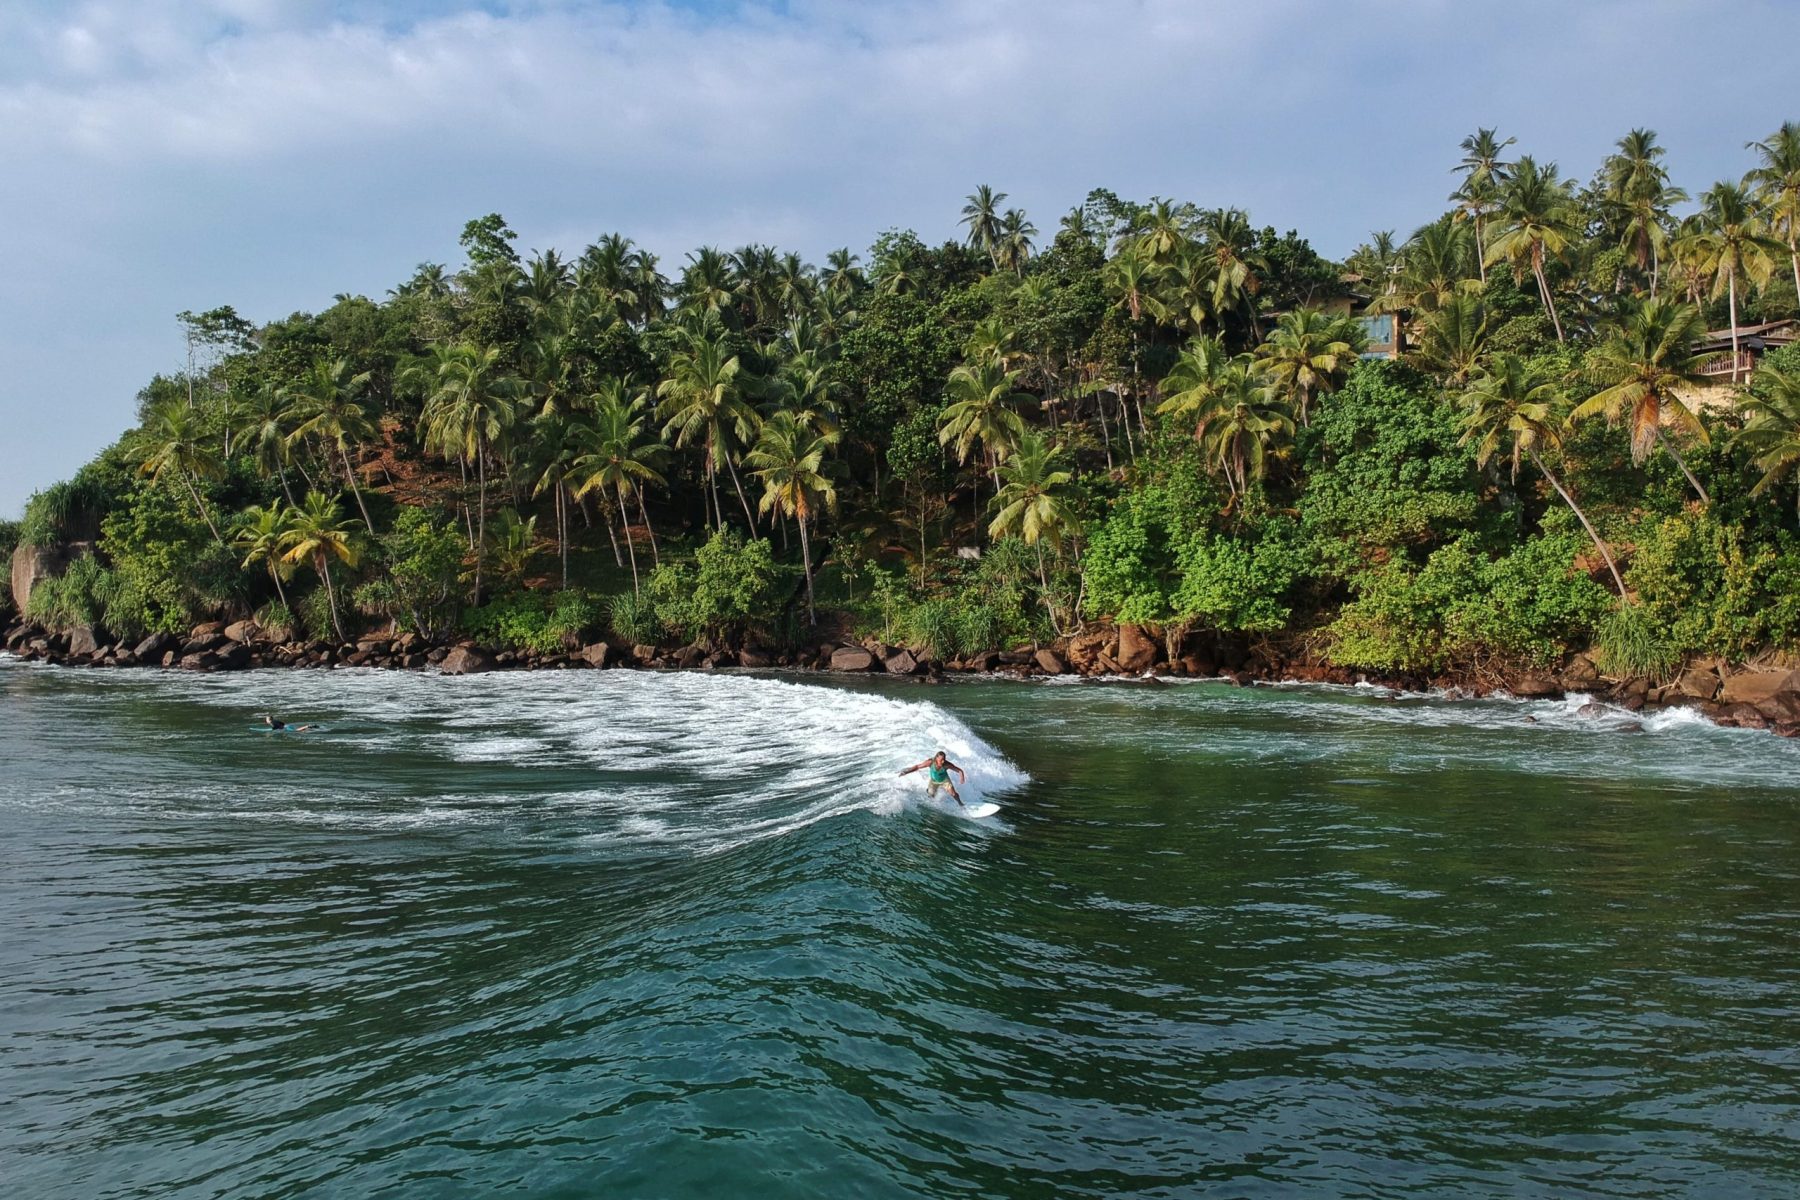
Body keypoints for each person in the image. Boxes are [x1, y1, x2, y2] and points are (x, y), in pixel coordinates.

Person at [900, 750, 966, 807]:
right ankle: (929, 790)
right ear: (936, 758)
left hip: (945, 780)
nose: (943, 761)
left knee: (953, 794)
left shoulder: (947, 764)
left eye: (944, 759)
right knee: (931, 795)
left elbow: (959, 770)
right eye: (941, 760)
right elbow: (917, 766)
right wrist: (906, 772)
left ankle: (960, 803)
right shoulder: (930, 762)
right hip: (934, 781)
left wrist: (962, 777)